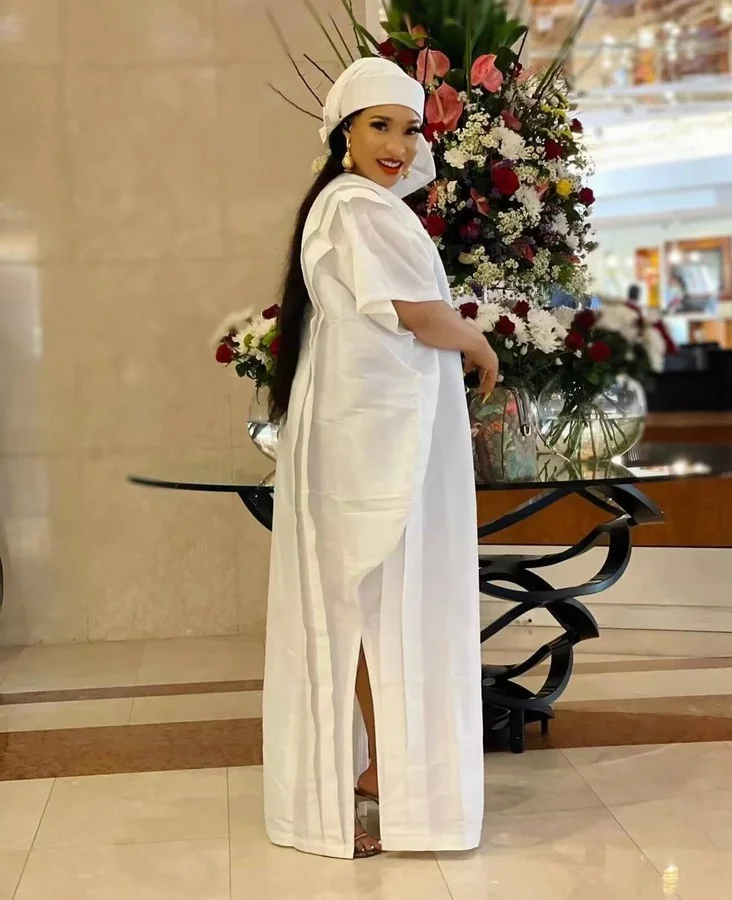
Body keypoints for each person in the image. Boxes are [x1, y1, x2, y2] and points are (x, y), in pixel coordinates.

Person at [262, 57, 498, 860]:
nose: (397, 145)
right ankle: (379, 786)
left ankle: (373, 783)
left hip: (370, 432)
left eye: (409, 129)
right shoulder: (358, 205)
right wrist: (479, 345)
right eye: (379, 126)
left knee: (365, 605)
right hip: (376, 443)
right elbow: (417, 314)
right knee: (382, 604)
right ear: (345, 133)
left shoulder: (349, 205)